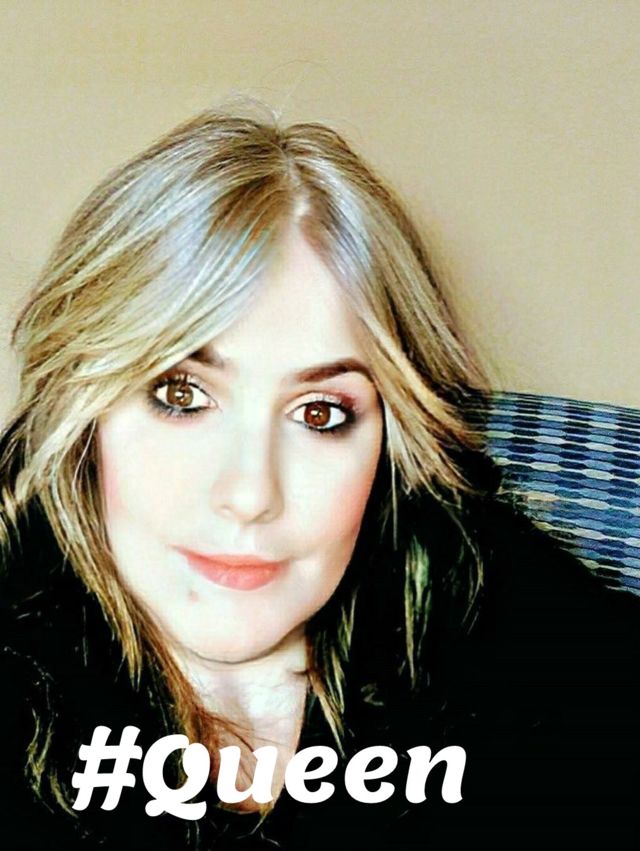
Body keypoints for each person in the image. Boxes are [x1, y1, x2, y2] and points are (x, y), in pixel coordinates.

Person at [0, 109, 636, 851]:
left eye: (320, 413)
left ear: (390, 436)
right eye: (181, 394)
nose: (249, 495)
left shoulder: (496, 608)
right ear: (85, 411)